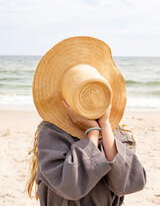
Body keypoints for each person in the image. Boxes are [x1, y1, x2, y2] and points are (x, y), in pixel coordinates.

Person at [25, 36, 146, 205]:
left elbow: (129, 183)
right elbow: (70, 187)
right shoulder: (52, 133)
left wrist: (104, 126)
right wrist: (92, 134)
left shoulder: (117, 133)